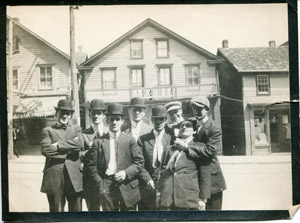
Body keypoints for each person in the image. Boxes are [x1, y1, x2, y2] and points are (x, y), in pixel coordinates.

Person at [86, 103, 144, 211]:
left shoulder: (130, 140)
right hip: (107, 185)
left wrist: (126, 173)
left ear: (122, 121)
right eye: (111, 119)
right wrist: (100, 183)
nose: (114, 122)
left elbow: (139, 162)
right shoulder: (98, 142)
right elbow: (91, 166)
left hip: (127, 184)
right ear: (107, 121)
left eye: (117, 119)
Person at [173, 96, 226, 210]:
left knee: (213, 215)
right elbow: (176, 127)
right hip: (196, 178)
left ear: (207, 109)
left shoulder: (214, 128)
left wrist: (186, 147)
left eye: (199, 108)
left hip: (212, 179)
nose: (196, 111)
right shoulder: (192, 123)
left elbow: (209, 151)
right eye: (194, 108)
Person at [57, 99, 108, 211]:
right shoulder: (82, 134)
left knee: (109, 211)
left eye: (99, 113)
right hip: (90, 180)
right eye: (93, 113)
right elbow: (78, 155)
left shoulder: (110, 132)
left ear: (103, 115)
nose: (96, 116)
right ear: (89, 115)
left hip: (108, 179)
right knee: (93, 211)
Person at [156, 120, 211, 210]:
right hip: (167, 199)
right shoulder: (169, 148)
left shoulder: (199, 148)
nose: (184, 127)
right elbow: (162, 172)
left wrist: (202, 199)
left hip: (188, 200)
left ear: (194, 131)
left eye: (188, 125)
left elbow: (205, 175)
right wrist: (158, 193)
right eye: (182, 126)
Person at [40, 99, 82, 212]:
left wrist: (58, 145)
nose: (64, 116)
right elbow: (46, 150)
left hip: (74, 177)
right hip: (54, 177)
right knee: (56, 213)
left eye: (67, 113)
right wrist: (70, 149)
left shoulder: (76, 129)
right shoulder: (48, 130)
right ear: (56, 113)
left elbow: (80, 144)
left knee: (76, 213)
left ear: (71, 116)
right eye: (61, 112)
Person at [138, 105, 173, 210]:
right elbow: (139, 163)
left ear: (166, 120)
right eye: (156, 119)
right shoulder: (143, 139)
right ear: (151, 120)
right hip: (148, 183)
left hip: (167, 182)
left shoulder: (171, 138)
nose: (159, 122)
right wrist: (148, 179)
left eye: (162, 119)